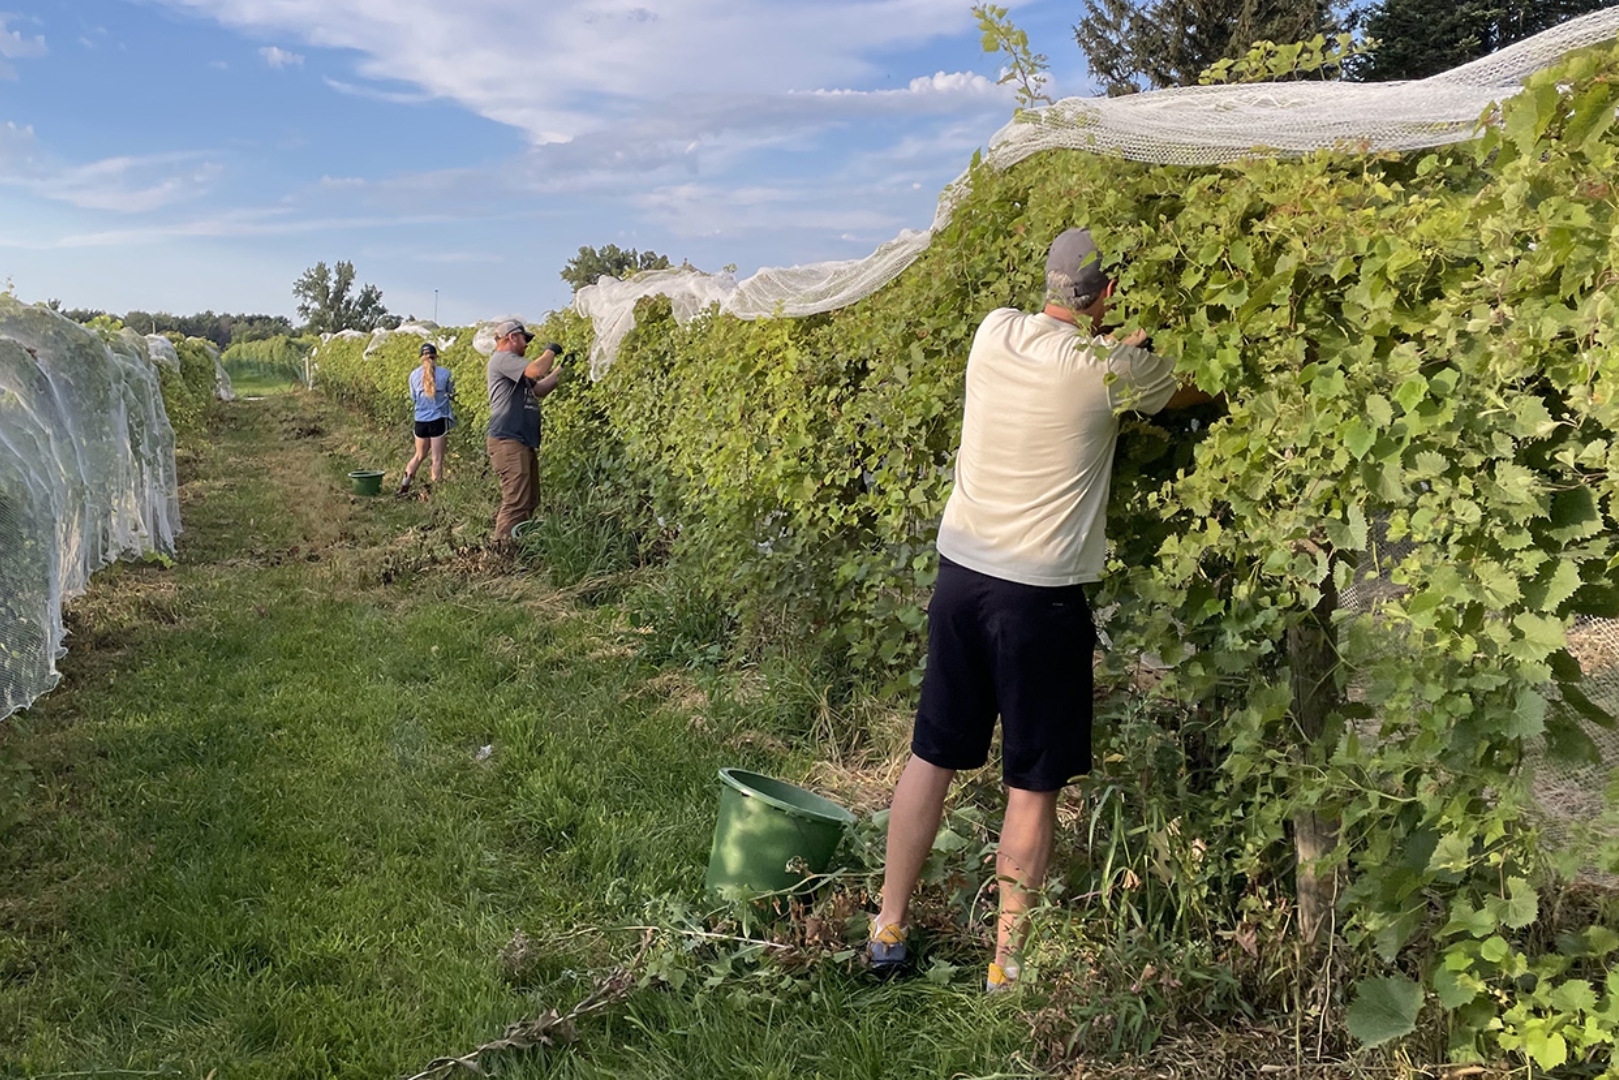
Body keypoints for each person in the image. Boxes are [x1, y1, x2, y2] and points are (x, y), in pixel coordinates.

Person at [865, 227, 1214, 992]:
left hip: (959, 576)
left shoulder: (993, 332)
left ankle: (887, 926)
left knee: (932, 754)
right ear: (1109, 295)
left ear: (1047, 282)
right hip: (1039, 598)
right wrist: (1148, 341)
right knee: (1031, 783)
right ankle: (1006, 964)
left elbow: (1062, 335)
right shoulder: (1112, 371)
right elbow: (1188, 387)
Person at [485, 318, 564, 540]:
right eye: (524, 339)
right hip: (508, 440)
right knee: (516, 502)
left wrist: (562, 369)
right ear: (511, 337)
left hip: (520, 440)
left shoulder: (513, 368)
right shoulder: (503, 359)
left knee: (529, 500)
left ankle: (519, 548)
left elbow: (540, 389)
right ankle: (501, 554)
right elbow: (537, 370)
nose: (526, 344)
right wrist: (551, 350)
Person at [399, 342, 455, 495]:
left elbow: (413, 397)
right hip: (438, 420)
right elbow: (451, 393)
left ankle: (404, 485)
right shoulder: (446, 374)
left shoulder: (413, 375)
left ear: (421, 358)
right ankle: (436, 494)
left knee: (419, 455)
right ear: (435, 357)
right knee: (436, 459)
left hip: (420, 421)